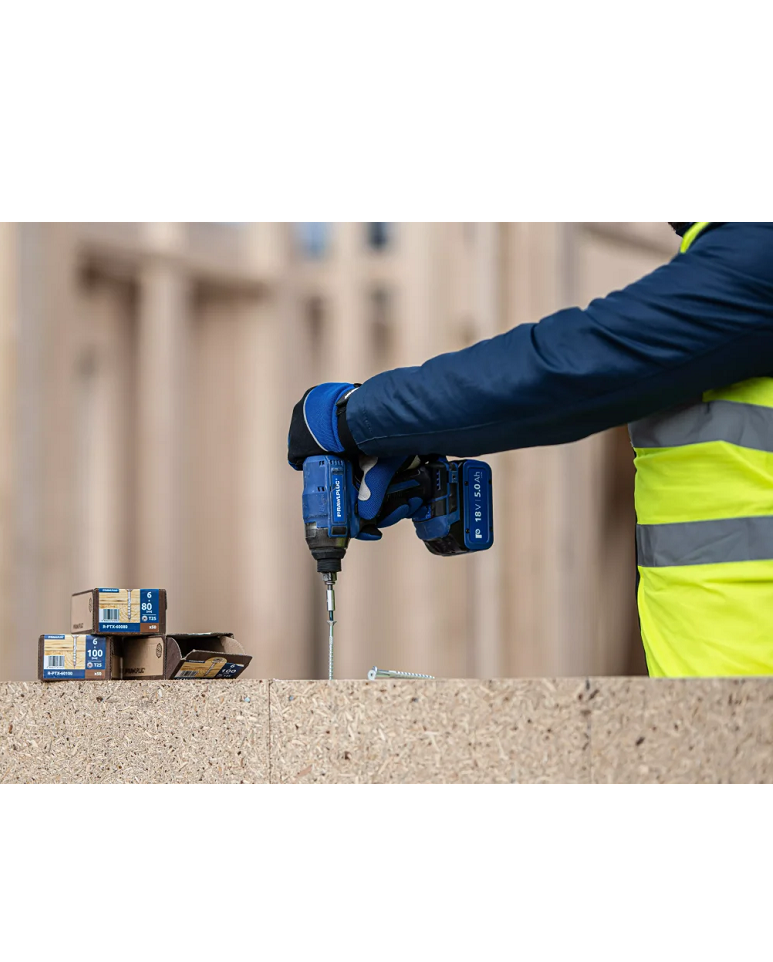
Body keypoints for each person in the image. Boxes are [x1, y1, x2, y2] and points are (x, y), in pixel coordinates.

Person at [287, 223, 773, 678]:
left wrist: (353, 417)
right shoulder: (730, 254)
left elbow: (567, 366)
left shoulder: (757, 252)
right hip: (711, 707)